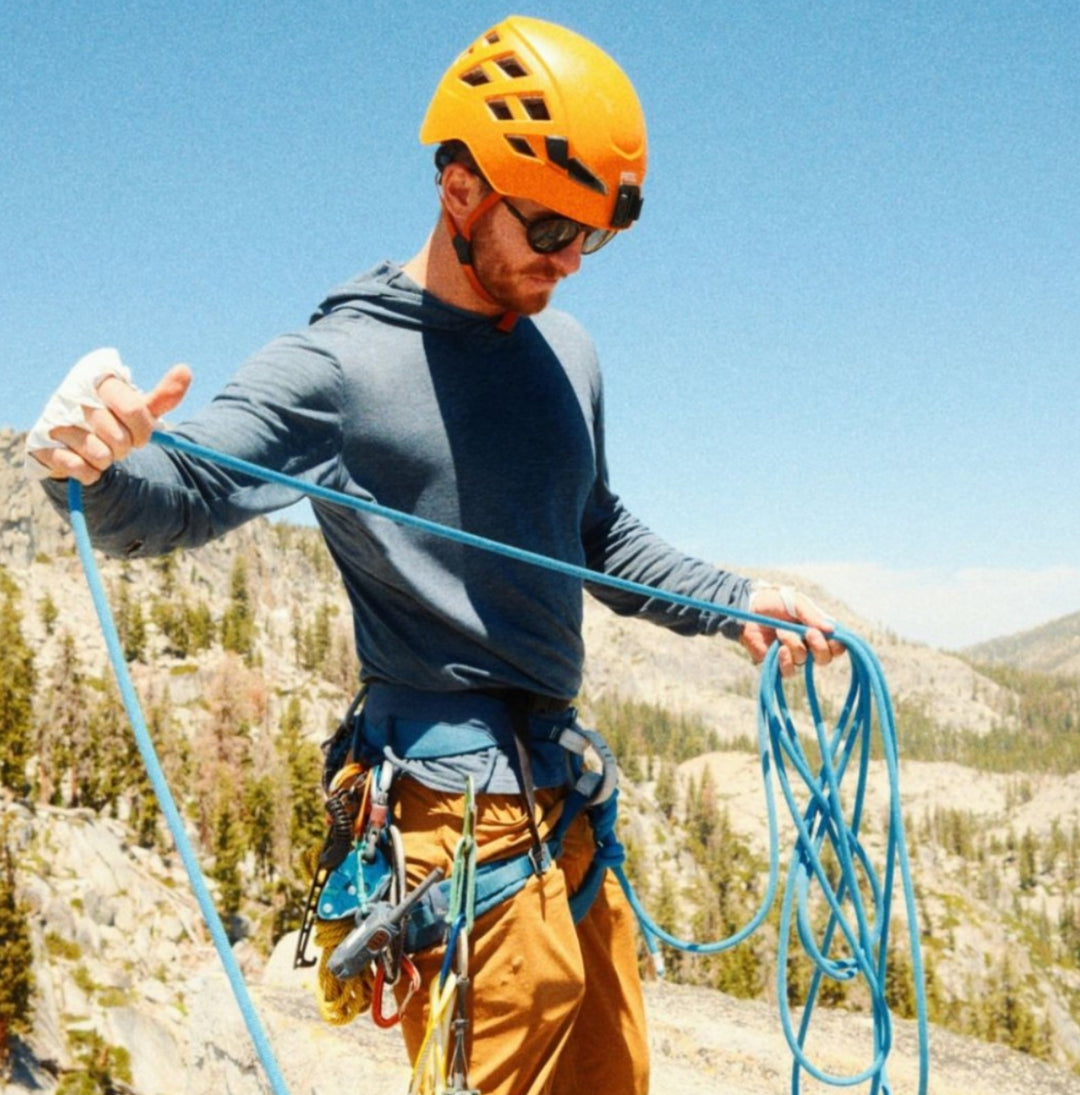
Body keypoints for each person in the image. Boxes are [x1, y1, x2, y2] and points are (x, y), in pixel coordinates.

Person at [27, 15, 842, 1095]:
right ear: (460, 187)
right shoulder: (342, 365)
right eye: (549, 227)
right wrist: (85, 463)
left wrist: (735, 601)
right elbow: (179, 498)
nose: (565, 263)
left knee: (614, 1077)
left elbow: (593, 530)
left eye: (589, 239)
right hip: (455, 819)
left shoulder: (568, 352)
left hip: (560, 794)